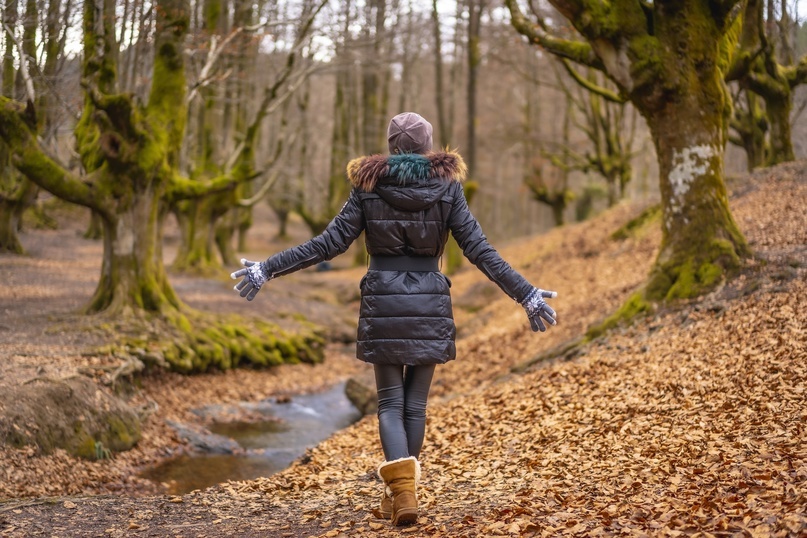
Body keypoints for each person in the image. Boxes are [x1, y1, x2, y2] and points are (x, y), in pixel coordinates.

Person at [231, 112, 558, 526]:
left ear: (391, 146)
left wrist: (268, 268)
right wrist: (525, 293)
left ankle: (401, 492)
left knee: (390, 403)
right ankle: (404, 492)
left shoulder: (368, 186)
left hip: (383, 301)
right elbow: (480, 250)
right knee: (414, 405)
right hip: (429, 302)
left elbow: (328, 244)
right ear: (427, 146)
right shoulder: (448, 187)